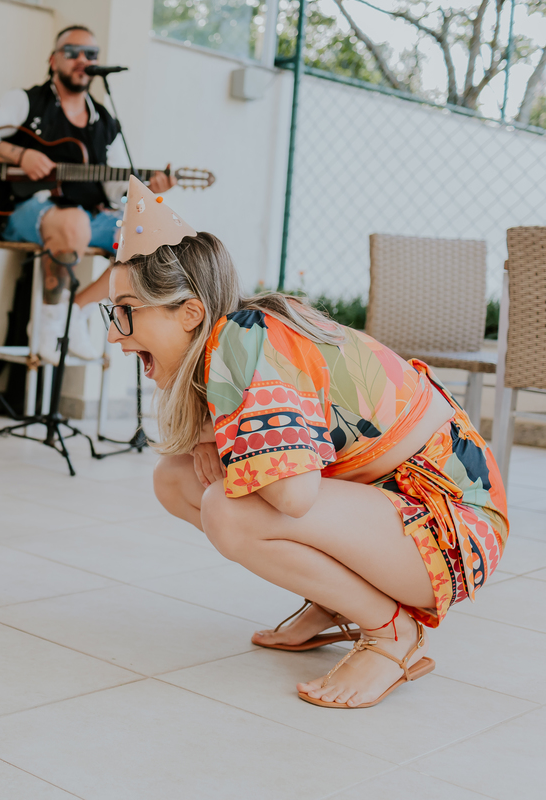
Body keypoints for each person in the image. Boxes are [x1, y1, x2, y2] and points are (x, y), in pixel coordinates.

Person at [106, 176, 509, 709]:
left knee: (231, 510)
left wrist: (226, 450)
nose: (115, 333)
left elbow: (294, 498)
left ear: (189, 313)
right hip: (396, 504)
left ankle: (392, 635)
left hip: (451, 523)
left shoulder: (243, 344)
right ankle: (335, 601)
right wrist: (213, 438)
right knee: (176, 479)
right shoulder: (231, 340)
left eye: (126, 311)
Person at [0, 24, 177, 358]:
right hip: (25, 210)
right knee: (73, 222)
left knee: (155, 234)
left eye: (90, 54)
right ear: (53, 59)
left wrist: (148, 189)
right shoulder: (26, 102)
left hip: (89, 216)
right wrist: (19, 154)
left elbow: (118, 186)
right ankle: (47, 324)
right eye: (71, 52)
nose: (81, 60)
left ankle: (77, 311)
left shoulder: (105, 121)